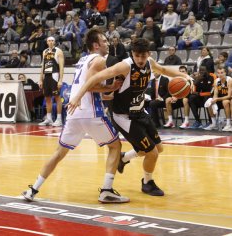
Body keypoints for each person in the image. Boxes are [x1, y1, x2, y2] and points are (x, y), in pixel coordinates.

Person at [68, 38, 192, 196]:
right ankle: (147, 183)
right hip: (123, 116)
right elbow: (93, 79)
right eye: (137, 56)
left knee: (158, 148)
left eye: (143, 56)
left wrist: (185, 77)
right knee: (151, 153)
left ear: (149, 54)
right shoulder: (125, 66)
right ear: (132, 54)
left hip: (140, 112)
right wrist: (77, 97)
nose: (140, 60)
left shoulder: (150, 62)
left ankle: (124, 158)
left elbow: (164, 70)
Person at [22, 28, 129, 203]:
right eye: (104, 41)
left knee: (59, 153)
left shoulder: (82, 60)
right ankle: (106, 190)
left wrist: (107, 93)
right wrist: (111, 87)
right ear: (96, 45)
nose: (107, 43)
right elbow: (90, 85)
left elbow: (85, 87)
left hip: (73, 114)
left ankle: (33, 190)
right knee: (115, 147)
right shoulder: (100, 60)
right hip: (90, 113)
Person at [38, 37, 65, 127]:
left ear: (55, 42)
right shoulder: (44, 51)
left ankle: (59, 119)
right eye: (49, 40)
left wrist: (60, 80)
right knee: (47, 97)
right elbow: (42, 66)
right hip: (46, 76)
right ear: (46, 42)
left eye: (52, 40)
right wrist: (40, 79)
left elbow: (61, 67)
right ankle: (49, 118)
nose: (51, 42)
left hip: (55, 75)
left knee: (57, 97)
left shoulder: (58, 51)